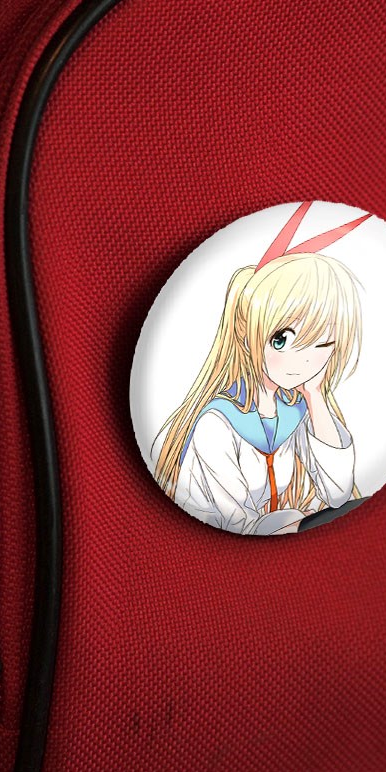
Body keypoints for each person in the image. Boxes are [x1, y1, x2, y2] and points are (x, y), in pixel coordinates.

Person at [149, 203, 369, 535]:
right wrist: (294, 521)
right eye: (282, 340)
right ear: (244, 332)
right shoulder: (217, 423)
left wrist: (315, 397)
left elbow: (337, 493)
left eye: (322, 344)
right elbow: (235, 524)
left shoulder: (295, 410)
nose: (303, 361)